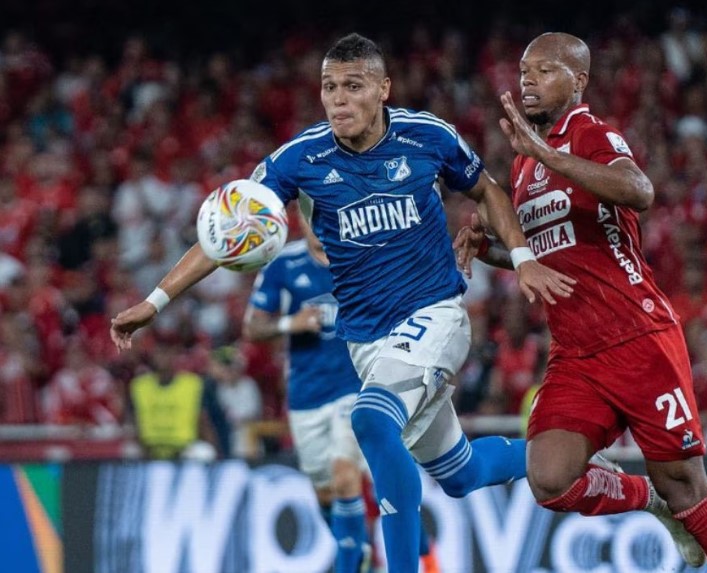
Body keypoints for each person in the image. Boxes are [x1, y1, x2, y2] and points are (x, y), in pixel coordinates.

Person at [110, 33, 574, 573]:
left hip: (436, 315)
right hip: (369, 343)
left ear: (383, 90)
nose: (338, 99)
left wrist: (520, 258)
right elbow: (226, 233)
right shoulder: (299, 158)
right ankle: (587, 465)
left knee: (372, 419)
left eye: (353, 86)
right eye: (329, 87)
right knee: (461, 473)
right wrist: (155, 301)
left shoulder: (427, 136)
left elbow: (488, 191)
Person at [455, 33, 707, 572]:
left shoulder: (591, 134)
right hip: (576, 352)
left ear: (579, 81)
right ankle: (651, 501)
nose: (528, 80)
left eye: (544, 71)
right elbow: (549, 250)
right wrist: (495, 250)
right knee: (548, 478)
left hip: (637, 338)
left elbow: (639, 191)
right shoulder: (526, 166)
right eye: (524, 71)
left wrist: (547, 153)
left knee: (689, 488)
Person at [242, 215, 438, 573]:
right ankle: (365, 550)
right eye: (307, 215)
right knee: (327, 492)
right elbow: (252, 327)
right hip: (306, 396)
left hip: (358, 388)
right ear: (299, 220)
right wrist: (290, 323)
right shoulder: (284, 264)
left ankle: (361, 561)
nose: (316, 223)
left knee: (345, 472)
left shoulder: (365, 255)